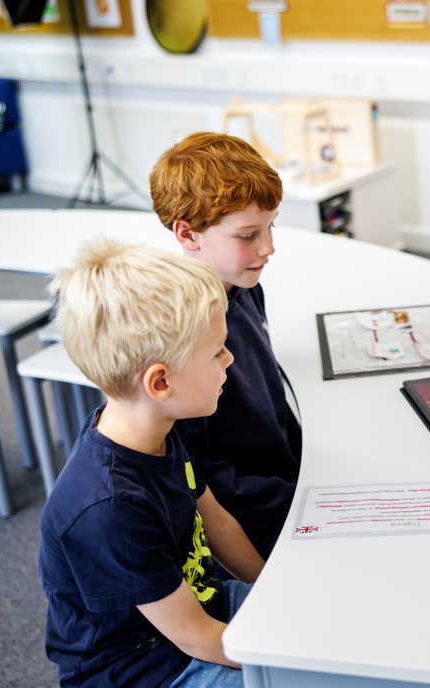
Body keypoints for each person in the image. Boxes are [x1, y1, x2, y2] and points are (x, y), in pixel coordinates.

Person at [39, 240, 264, 688]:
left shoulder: (159, 427)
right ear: (160, 382)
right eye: (218, 350)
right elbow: (198, 639)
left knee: (319, 614)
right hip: (154, 669)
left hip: (202, 607)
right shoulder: (108, 509)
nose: (230, 358)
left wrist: (273, 588)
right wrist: (296, 659)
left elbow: (215, 520)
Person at [150, 132, 301, 561]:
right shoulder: (178, 335)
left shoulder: (244, 284)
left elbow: (269, 400)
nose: (269, 248)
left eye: (271, 228)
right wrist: (301, 497)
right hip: (253, 515)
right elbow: (201, 474)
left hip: (285, 477)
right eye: (248, 235)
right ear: (187, 234)